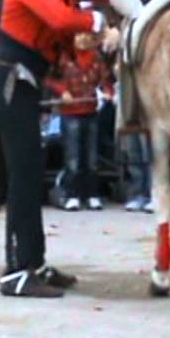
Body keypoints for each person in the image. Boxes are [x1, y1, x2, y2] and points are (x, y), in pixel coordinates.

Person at [0, 0, 117, 297]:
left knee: (29, 171)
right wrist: (96, 19)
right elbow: (60, 18)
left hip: (23, 82)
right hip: (12, 82)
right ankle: (17, 271)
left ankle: (34, 262)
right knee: (23, 177)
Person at [46, 32, 113, 211]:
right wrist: (62, 92)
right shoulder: (64, 57)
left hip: (91, 112)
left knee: (91, 158)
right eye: (79, 35)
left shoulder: (96, 57)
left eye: (87, 36)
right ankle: (71, 194)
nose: (83, 39)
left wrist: (107, 92)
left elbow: (105, 80)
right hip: (70, 113)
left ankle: (91, 194)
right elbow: (51, 79)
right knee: (73, 158)